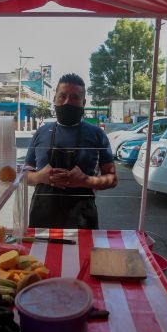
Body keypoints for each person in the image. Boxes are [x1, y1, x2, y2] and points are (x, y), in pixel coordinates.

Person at [24, 73, 117, 229]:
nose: (67, 102)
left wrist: (85, 180)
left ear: (83, 102)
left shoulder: (97, 134)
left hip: (82, 220)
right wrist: (40, 176)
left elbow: (112, 179)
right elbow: (25, 176)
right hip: (42, 220)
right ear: (54, 99)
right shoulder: (40, 133)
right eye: (62, 96)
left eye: (75, 97)